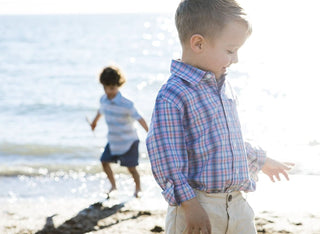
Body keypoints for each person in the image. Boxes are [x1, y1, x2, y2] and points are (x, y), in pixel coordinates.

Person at [146, 0, 294, 233]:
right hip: (197, 205)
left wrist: (261, 160)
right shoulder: (173, 94)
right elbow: (166, 155)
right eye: (230, 51)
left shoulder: (223, 87)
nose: (235, 59)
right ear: (198, 43)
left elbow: (225, 142)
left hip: (237, 204)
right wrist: (189, 204)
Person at [90, 65, 148, 198]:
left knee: (132, 168)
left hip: (129, 141)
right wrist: (94, 122)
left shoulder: (126, 104)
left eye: (111, 88)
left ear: (118, 85)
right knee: (104, 162)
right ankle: (113, 186)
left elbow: (139, 118)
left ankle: (138, 188)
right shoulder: (103, 100)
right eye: (105, 88)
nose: (108, 91)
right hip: (113, 140)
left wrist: (149, 133)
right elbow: (100, 111)